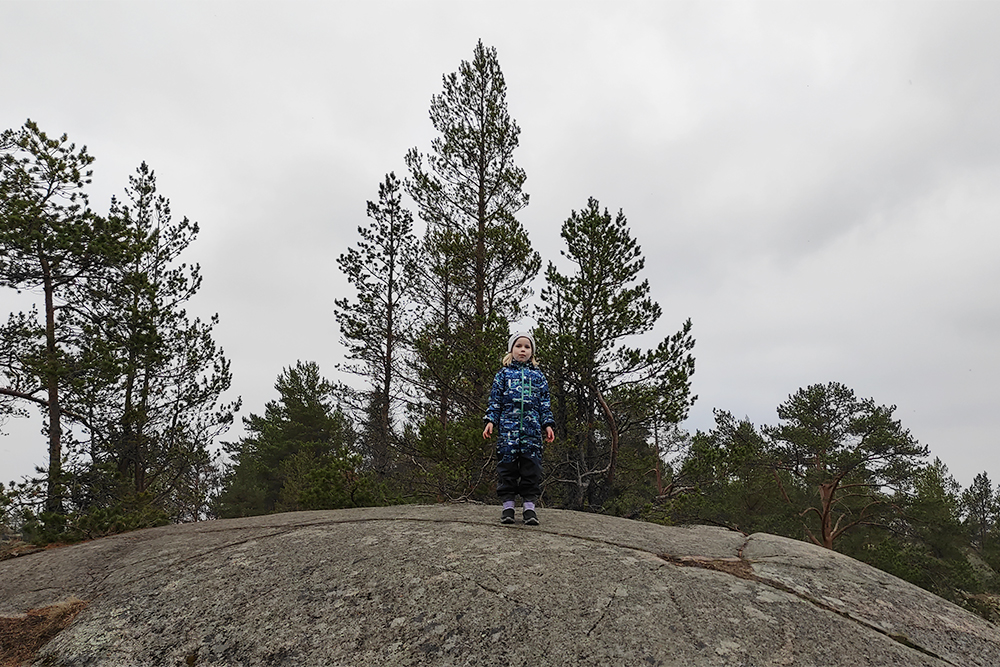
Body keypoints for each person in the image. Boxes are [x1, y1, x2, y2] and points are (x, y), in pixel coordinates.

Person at [483, 331, 556, 525]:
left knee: (531, 470)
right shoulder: (503, 375)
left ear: (532, 351)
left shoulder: (538, 376)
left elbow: (544, 404)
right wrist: (491, 420)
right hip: (508, 432)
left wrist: (548, 424)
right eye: (518, 346)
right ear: (511, 349)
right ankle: (508, 507)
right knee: (507, 470)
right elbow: (495, 401)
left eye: (527, 347)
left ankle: (529, 509)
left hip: (531, 433)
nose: (522, 350)